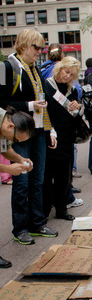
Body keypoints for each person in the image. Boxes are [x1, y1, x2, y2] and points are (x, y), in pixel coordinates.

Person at [0, 29, 58, 245]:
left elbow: (45, 102)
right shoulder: (5, 67)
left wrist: (50, 129)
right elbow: (0, 102)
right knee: (22, 180)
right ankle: (20, 228)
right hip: (18, 132)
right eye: (37, 47)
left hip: (39, 130)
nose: (40, 52)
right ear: (24, 45)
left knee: (37, 179)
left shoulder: (35, 70)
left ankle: (37, 223)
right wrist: (28, 105)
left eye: (42, 48)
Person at [43, 57, 83, 221]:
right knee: (46, 177)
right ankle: (44, 211)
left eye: (72, 74)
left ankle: (61, 209)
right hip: (50, 137)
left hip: (67, 138)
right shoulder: (46, 86)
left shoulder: (72, 90)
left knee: (64, 177)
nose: (68, 76)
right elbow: (44, 113)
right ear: (59, 68)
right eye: (67, 72)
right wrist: (50, 131)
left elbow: (76, 115)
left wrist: (78, 107)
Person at [0, 106, 35, 266]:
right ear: (11, 126)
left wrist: (21, 159)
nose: (12, 143)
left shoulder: (4, 123)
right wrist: (7, 169)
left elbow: (5, 149)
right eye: (15, 140)